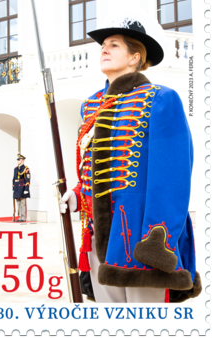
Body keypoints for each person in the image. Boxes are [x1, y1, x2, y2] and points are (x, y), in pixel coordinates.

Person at [59, 18, 202, 303]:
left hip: (139, 236)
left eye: (114, 45)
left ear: (135, 57)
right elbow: (94, 165)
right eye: (103, 45)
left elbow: (171, 178)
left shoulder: (161, 99)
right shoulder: (92, 104)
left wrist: (156, 240)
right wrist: (77, 195)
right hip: (97, 233)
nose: (104, 49)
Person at [12, 153, 31, 222]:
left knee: (23, 203)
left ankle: (23, 217)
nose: (17, 161)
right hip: (17, 188)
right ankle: (20, 217)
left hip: (22, 188)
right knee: (18, 203)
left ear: (22, 161)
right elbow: (14, 179)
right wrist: (13, 188)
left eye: (19, 159)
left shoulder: (26, 169)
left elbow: (27, 179)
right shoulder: (15, 169)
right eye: (17, 159)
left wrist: (26, 189)